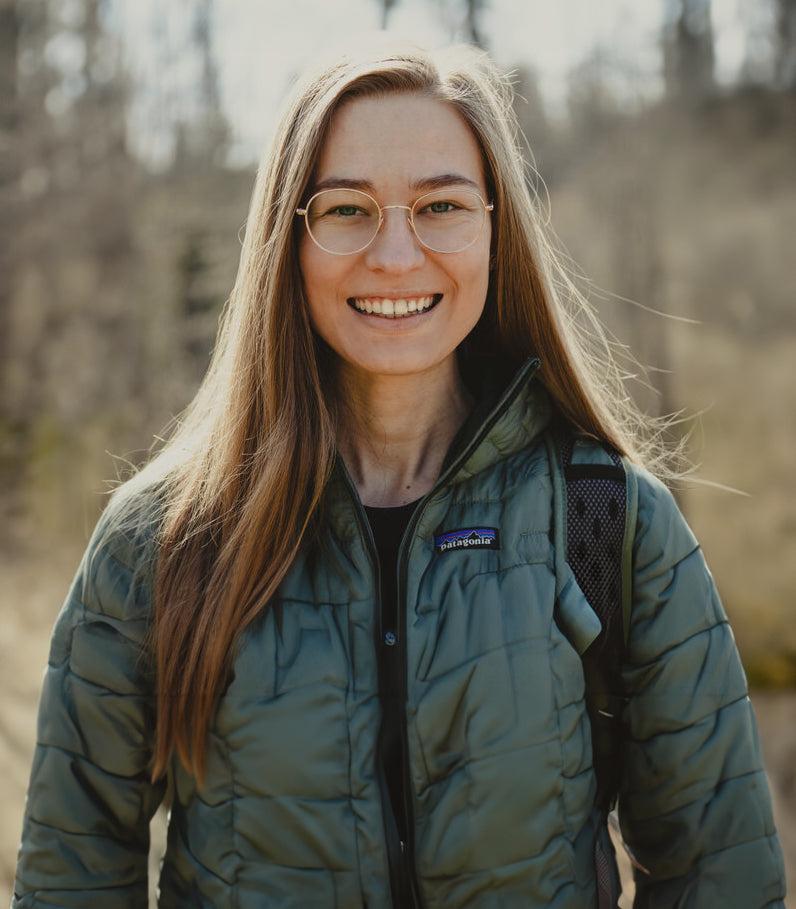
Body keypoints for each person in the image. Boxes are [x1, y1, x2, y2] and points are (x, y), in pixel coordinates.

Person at [13, 41, 786, 909]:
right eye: (346, 209)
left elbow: (724, 877)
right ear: (288, 237)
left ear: (496, 226)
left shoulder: (610, 521)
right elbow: (68, 882)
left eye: (440, 205)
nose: (394, 255)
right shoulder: (158, 541)